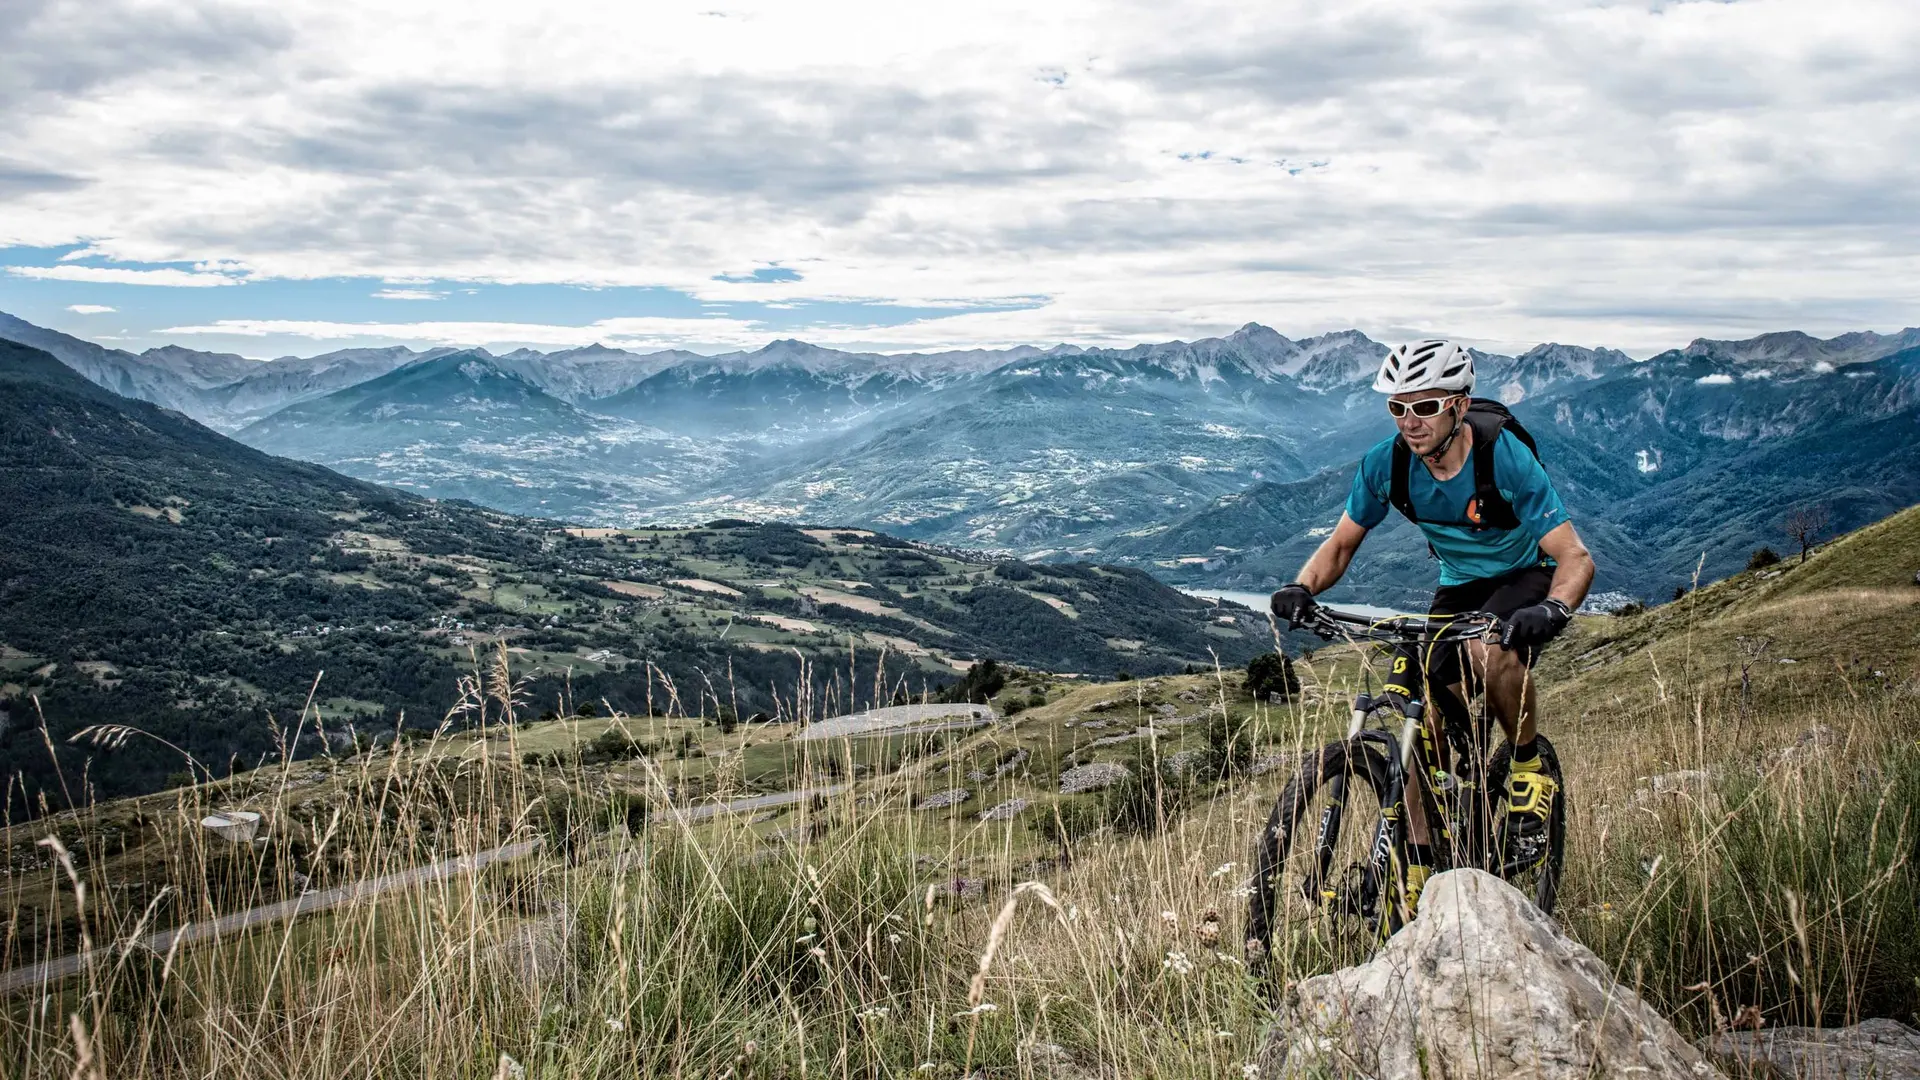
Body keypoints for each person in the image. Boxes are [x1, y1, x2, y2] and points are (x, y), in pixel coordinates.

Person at [1269, 338, 1594, 915]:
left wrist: (1552, 610)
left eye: (1424, 406)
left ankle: (1524, 770)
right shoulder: (1387, 465)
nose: (1409, 422)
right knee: (1421, 725)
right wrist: (1303, 587)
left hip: (1526, 575)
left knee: (1490, 652)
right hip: (1459, 585)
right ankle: (1420, 858)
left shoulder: (1504, 457)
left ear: (1459, 406)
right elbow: (1342, 543)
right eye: (1398, 407)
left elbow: (1575, 556)